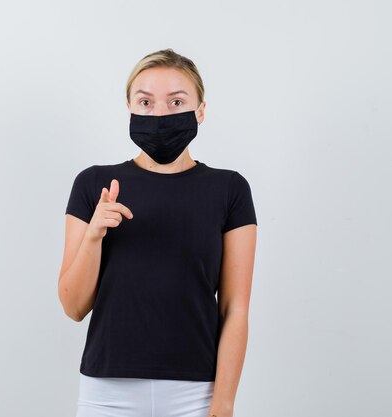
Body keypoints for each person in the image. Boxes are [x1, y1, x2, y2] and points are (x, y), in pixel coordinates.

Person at [58, 48, 258, 417]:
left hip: (196, 393)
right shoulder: (94, 184)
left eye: (176, 101)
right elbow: (73, 306)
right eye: (146, 101)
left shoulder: (229, 189)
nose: (160, 114)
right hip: (107, 392)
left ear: (200, 110)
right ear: (130, 107)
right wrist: (94, 236)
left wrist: (223, 404)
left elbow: (235, 309)